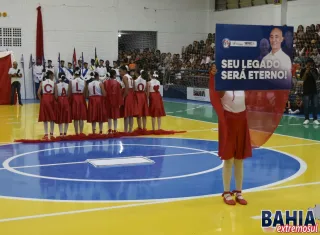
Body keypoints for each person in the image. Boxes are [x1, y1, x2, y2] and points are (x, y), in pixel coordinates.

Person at [209, 64, 251, 206]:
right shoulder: (222, 87)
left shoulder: (244, 86)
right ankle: (226, 192)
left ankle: (239, 191)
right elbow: (214, 89)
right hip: (228, 123)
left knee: (239, 159)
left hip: (242, 122)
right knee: (229, 159)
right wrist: (213, 74)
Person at [104, 69, 123, 134]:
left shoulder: (106, 82)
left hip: (108, 100)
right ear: (114, 75)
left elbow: (104, 92)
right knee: (115, 116)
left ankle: (109, 129)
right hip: (115, 100)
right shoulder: (117, 83)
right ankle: (115, 129)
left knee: (109, 116)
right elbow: (119, 93)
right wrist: (120, 102)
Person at [68, 69, 87, 135]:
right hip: (81, 98)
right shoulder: (84, 81)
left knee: (76, 117)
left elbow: (69, 92)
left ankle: (76, 133)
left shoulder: (71, 81)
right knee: (81, 117)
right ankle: (81, 132)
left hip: (74, 98)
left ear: (74, 74)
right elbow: (85, 93)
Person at [38, 70, 56, 140]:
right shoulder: (53, 83)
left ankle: (46, 134)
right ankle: (51, 133)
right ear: (50, 75)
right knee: (52, 117)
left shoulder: (42, 82)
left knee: (45, 117)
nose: (53, 77)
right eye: (53, 75)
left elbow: (38, 93)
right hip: (51, 98)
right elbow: (56, 93)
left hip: (44, 98)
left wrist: (41, 100)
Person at [301, 58, 319, 125]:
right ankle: (306, 119)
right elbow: (302, 79)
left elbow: (316, 78)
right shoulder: (303, 70)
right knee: (306, 106)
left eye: (311, 63)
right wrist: (306, 71)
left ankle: (315, 119)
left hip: (314, 90)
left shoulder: (314, 70)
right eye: (308, 63)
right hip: (306, 91)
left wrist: (311, 71)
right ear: (306, 63)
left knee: (315, 105)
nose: (309, 64)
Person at [119, 65, 136, 133]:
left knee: (126, 114)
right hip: (131, 95)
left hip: (127, 95)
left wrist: (123, 97)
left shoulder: (124, 77)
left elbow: (127, 87)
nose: (119, 73)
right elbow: (134, 87)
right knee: (130, 114)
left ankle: (126, 130)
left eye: (120, 71)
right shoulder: (130, 77)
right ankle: (130, 130)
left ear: (124, 71)